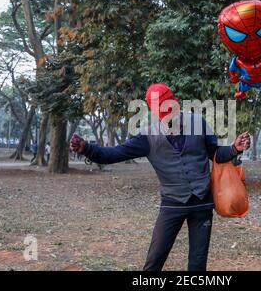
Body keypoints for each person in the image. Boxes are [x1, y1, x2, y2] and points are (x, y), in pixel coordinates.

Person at [70, 83, 250, 271]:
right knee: (154, 260)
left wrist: (233, 148)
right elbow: (113, 154)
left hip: (201, 204)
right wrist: (86, 148)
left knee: (198, 263)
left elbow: (215, 153)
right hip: (172, 203)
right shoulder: (147, 137)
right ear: (155, 112)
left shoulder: (198, 123)